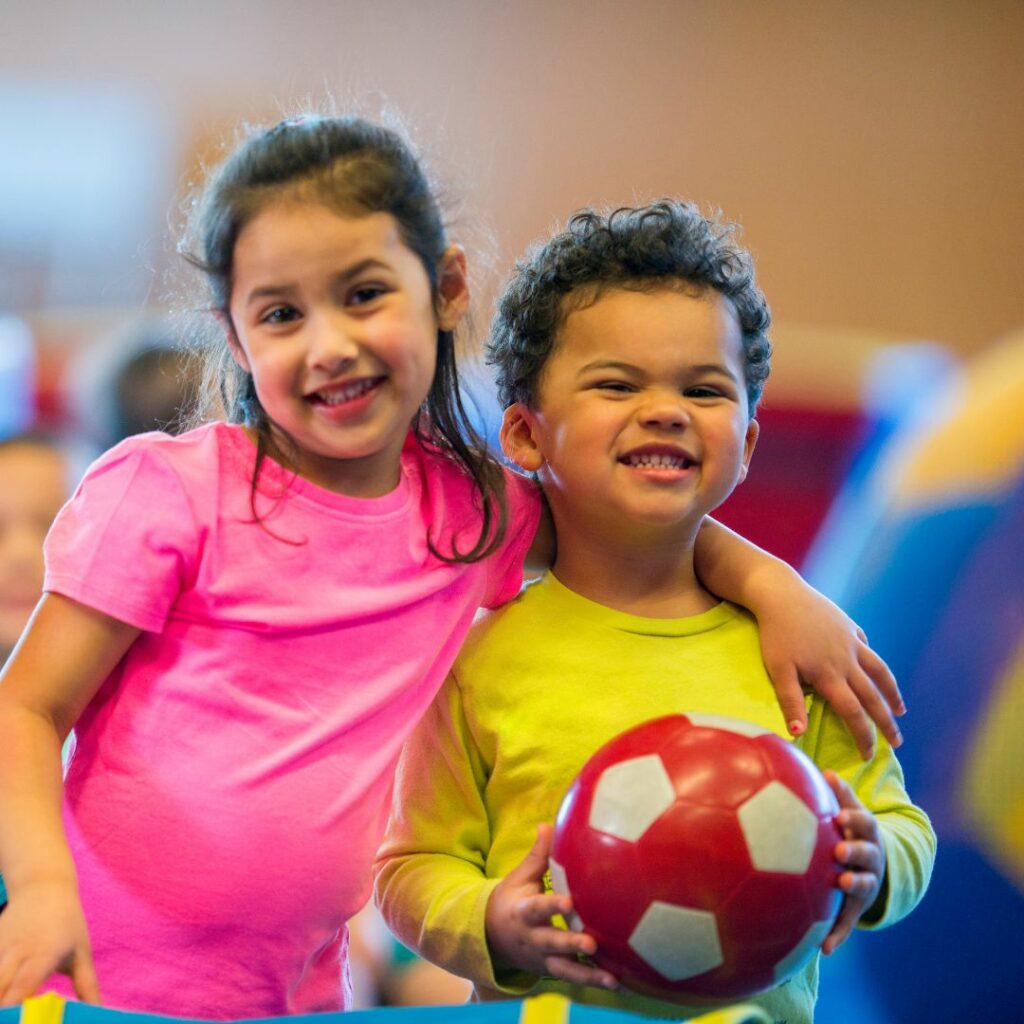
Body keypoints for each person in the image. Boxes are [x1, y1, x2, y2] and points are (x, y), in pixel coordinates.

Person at [0, 116, 899, 1020]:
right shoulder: (167, 494)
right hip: (89, 978)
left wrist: (775, 587)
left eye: (364, 295)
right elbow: (26, 705)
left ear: (446, 289)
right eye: (281, 313)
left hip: (297, 994)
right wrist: (39, 892)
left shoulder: (468, 515)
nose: (329, 344)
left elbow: (627, 516)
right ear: (233, 336)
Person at [374, 201, 936, 1023]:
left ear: (746, 443)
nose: (666, 408)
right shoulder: (479, 655)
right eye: (616, 384)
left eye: (703, 389)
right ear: (527, 436)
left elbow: (901, 823)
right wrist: (494, 920)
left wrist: (876, 859)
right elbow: (409, 867)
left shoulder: (799, 650)